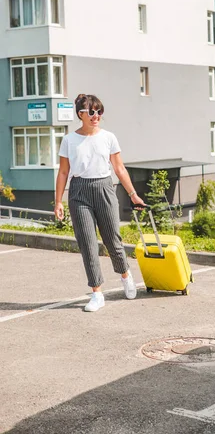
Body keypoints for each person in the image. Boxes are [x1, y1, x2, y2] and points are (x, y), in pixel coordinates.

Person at [54, 93, 145, 312]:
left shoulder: (108, 137)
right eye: (92, 112)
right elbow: (64, 172)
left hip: (104, 188)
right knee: (87, 243)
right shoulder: (69, 140)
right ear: (80, 114)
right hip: (79, 192)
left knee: (112, 240)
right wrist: (58, 202)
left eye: (99, 111)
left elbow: (119, 168)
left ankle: (125, 275)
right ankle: (97, 293)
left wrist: (133, 194)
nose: (96, 116)